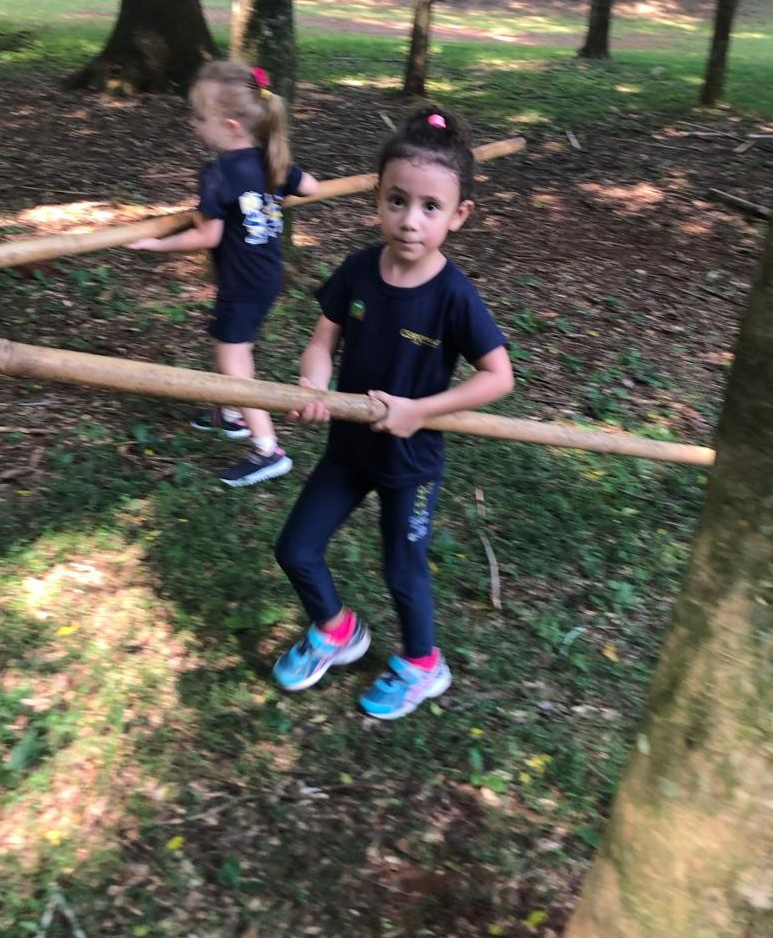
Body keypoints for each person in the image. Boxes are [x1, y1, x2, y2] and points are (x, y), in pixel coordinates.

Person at [272, 106, 514, 719]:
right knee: (296, 548)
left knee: (403, 570)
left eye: (431, 207)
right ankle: (336, 630)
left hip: (410, 460)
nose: (410, 220)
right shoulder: (358, 270)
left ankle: (424, 665)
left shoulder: (454, 296)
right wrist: (313, 383)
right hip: (349, 450)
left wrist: (419, 411)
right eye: (397, 201)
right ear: (376, 199)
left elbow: (499, 377)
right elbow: (322, 342)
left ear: (458, 215)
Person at [130, 61, 319, 487]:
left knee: (235, 361)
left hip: (243, 280)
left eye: (200, 117)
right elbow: (310, 187)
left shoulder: (217, 174)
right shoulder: (271, 160)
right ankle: (231, 414)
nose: (194, 124)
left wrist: (155, 244)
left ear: (230, 126)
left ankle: (268, 449)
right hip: (265, 276)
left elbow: (207, 236)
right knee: (230, 343)